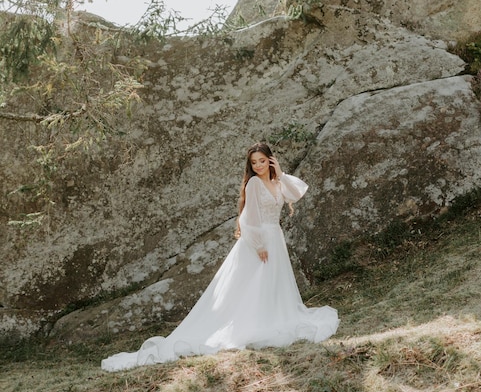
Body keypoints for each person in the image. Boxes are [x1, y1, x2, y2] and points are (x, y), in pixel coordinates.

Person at [101, 142, 339, 372]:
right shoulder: (254, 183)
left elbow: (297, 193)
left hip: (275, 237)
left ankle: (273, 317)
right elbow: (248, 218)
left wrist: (281, 171)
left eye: (262, 161)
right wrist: (258, 245)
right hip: (260, 241)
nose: (258, 166)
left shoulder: (277, 182)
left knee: (273, 282)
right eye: (254, 162)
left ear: (270, 160)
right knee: (253, 284)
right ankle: (253, 324)